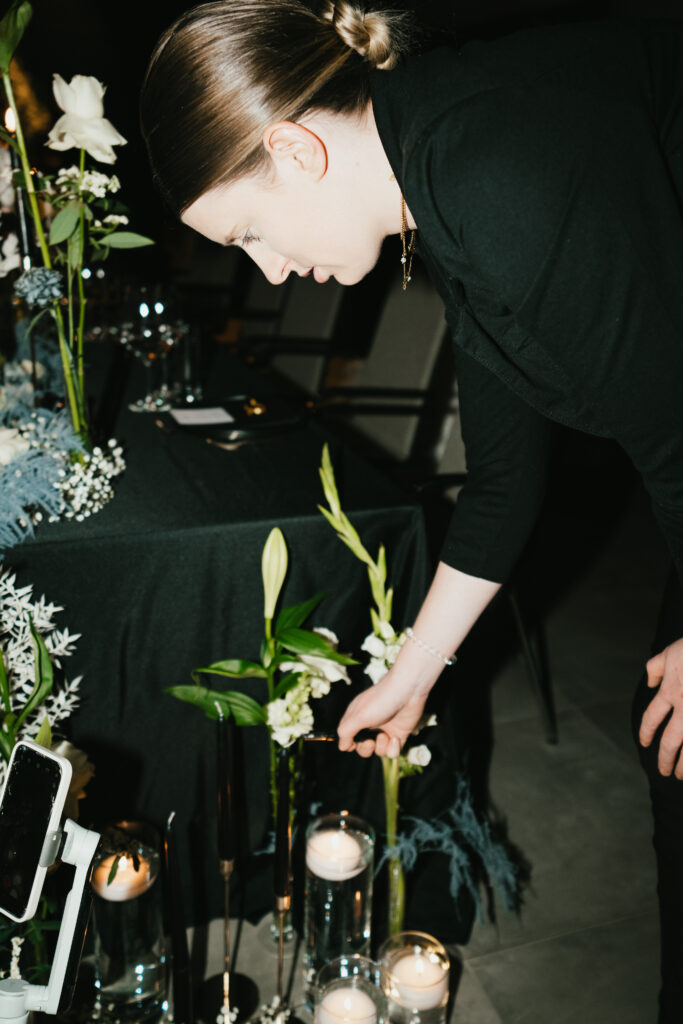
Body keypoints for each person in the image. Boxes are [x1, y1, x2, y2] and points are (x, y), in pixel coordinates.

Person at [140, 4, 683, 1017]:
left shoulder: (491, 159)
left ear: (295, 150)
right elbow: (503, 481)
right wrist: (412, 672)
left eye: (249, 231)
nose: (265, 270)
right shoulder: (439, 181)